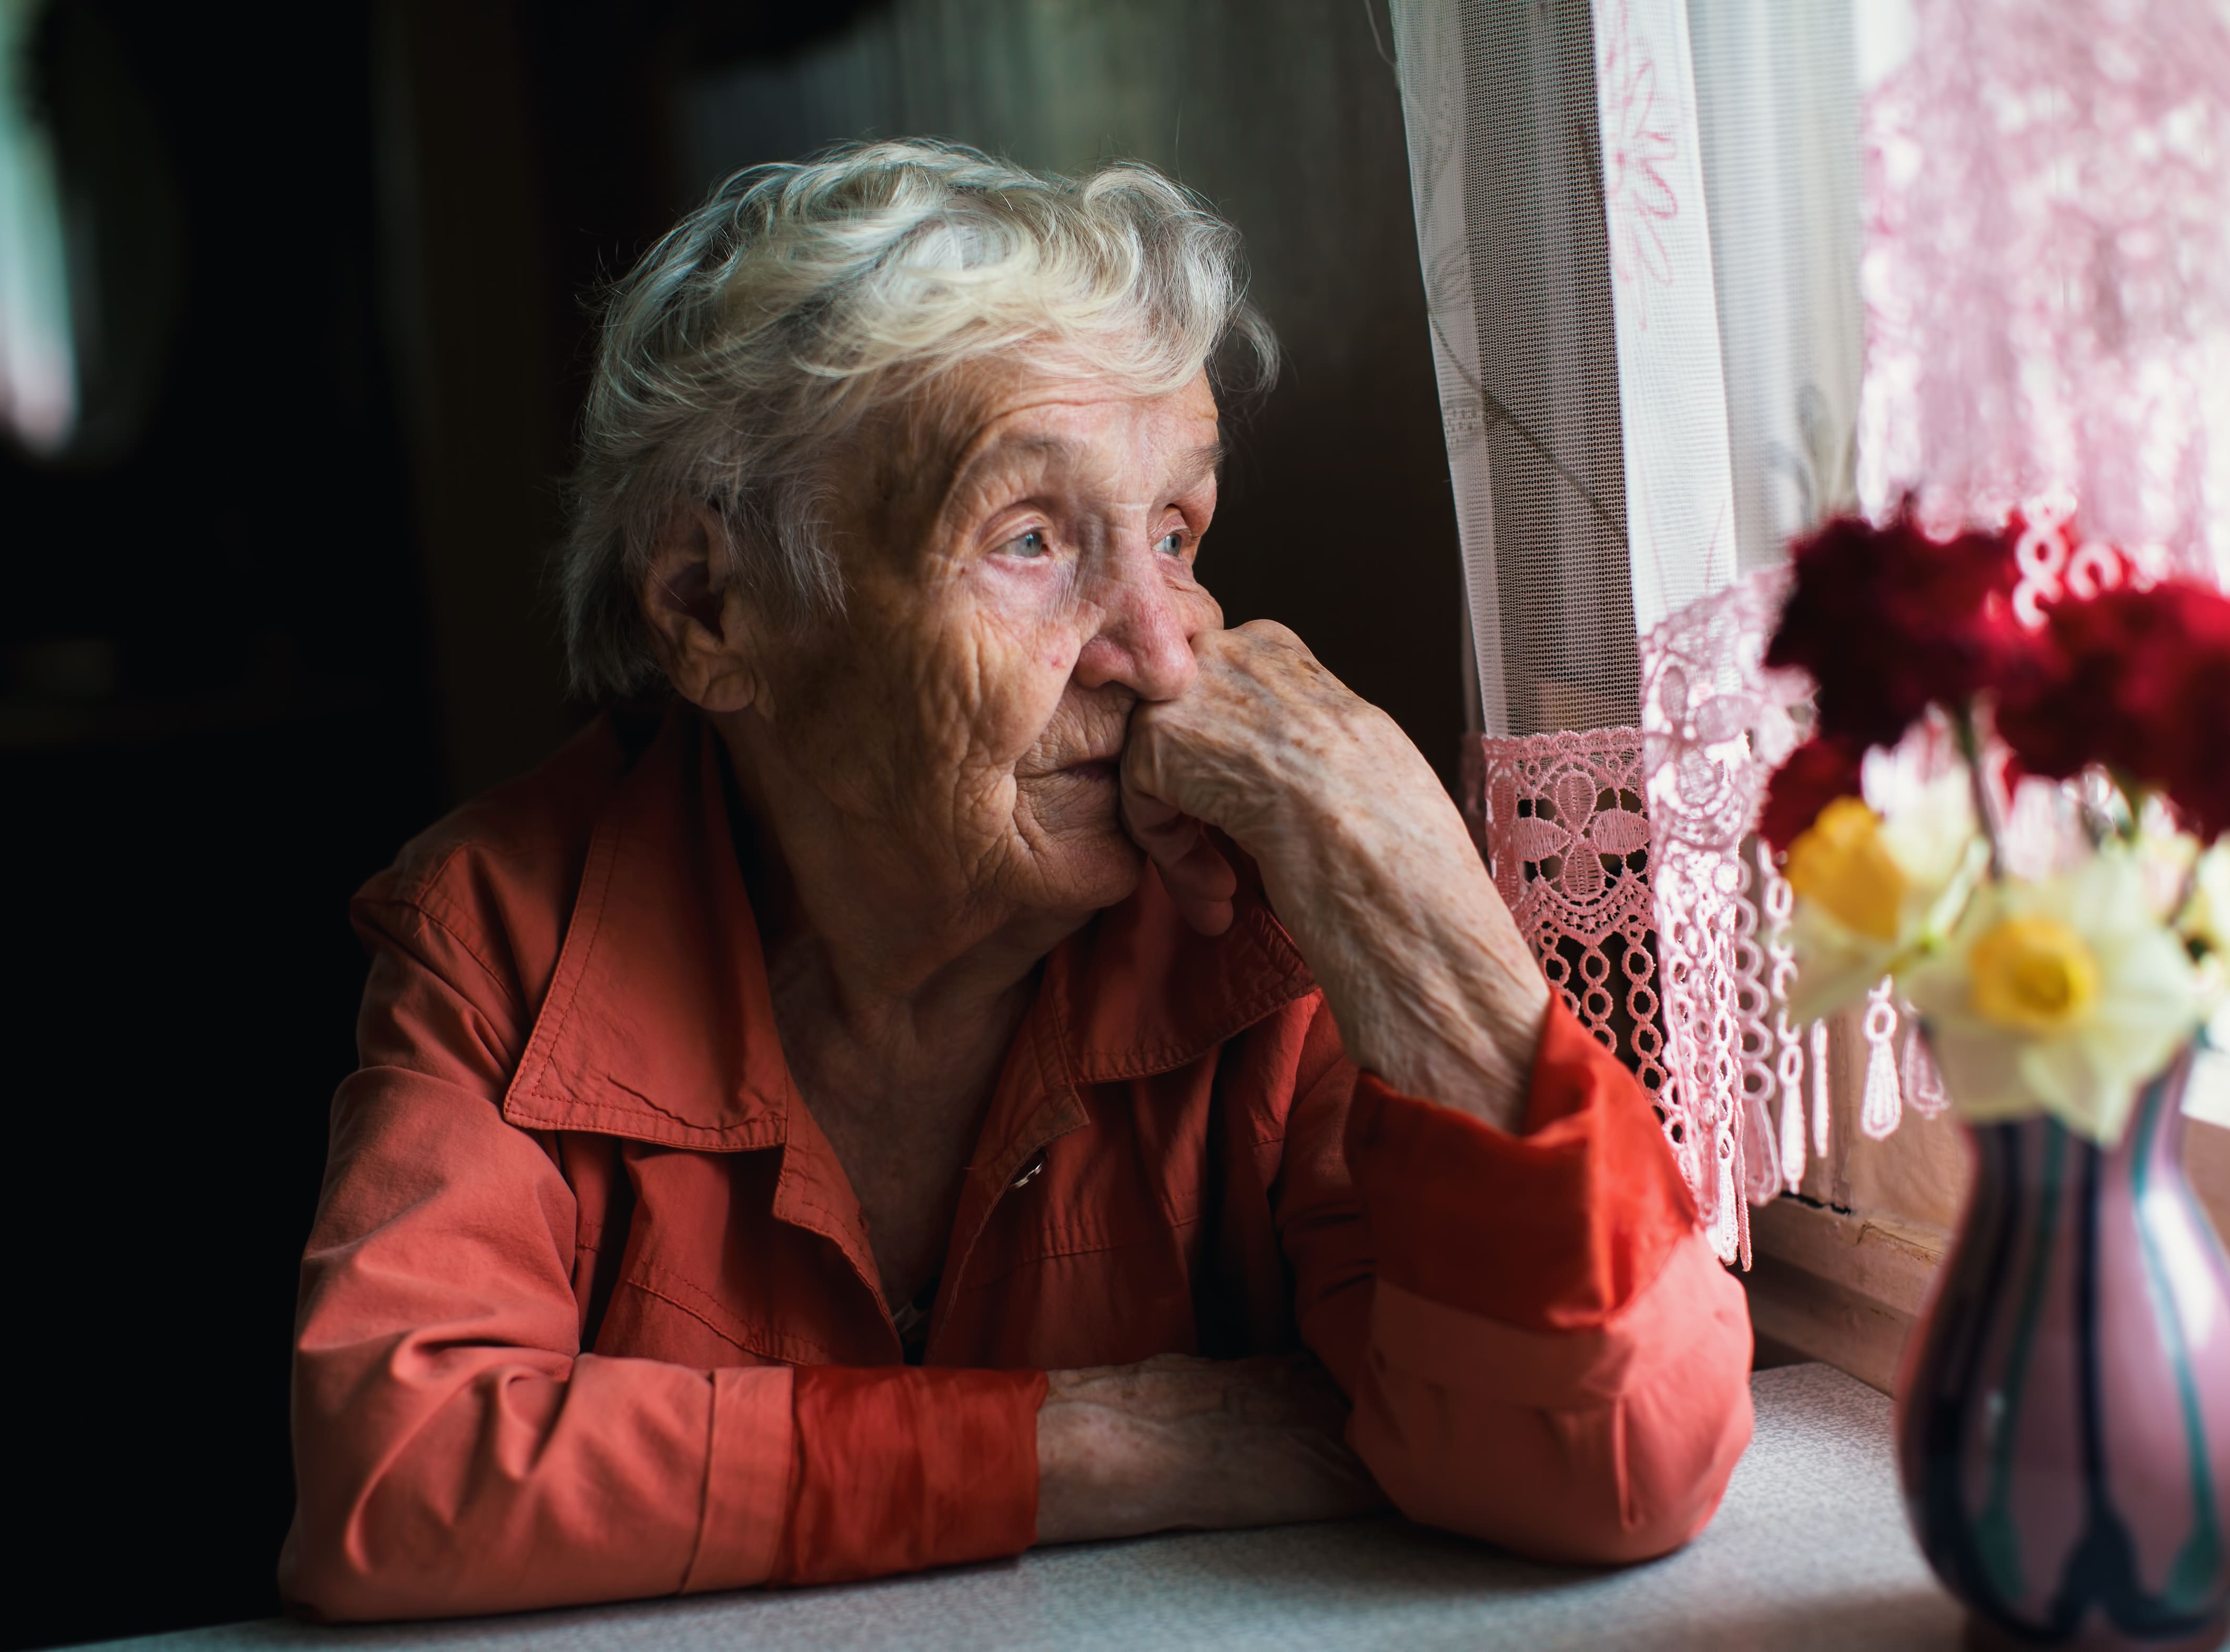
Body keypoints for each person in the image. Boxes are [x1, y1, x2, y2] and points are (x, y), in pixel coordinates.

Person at [281, 140, 1752, 1621]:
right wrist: (1107, 1440)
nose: (1163, 651)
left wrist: (1400, 874)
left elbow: (1615, 1460)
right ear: (710, 609)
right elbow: (400, 1477)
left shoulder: (1255, 927)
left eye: (1175, 535)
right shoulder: (506, 930)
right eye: (1030, 540)